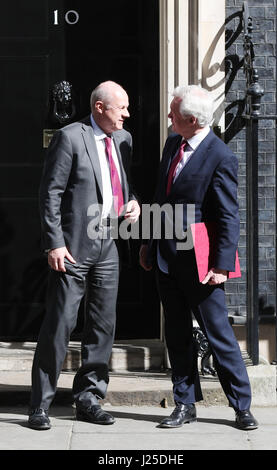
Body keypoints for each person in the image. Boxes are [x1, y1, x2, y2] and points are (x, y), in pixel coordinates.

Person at [139, 85, 258, 431]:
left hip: (201, 263)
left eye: (173, 112)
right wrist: (148, 242)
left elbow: (227, 215)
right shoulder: (172, 144)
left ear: (191, 120)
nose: (168, 117)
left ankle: (241, 406)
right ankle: (184, 403)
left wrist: (221, 264)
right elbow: (161, 198)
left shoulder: (220, 156)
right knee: (176, 334)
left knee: (217, 332)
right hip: (166, 257)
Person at [28, 81, 140, 430]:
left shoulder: (124, 140)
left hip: (109, 242)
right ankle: (40, 405)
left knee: (102, 326)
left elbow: (120, 182)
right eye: (120, 108)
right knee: (60, 324)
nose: (127, 114)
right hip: (73, 247)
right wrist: (54, 243)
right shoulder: (70, 137)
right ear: (99, 108)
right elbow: (50, 193)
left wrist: (132, 200)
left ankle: (89, 398)